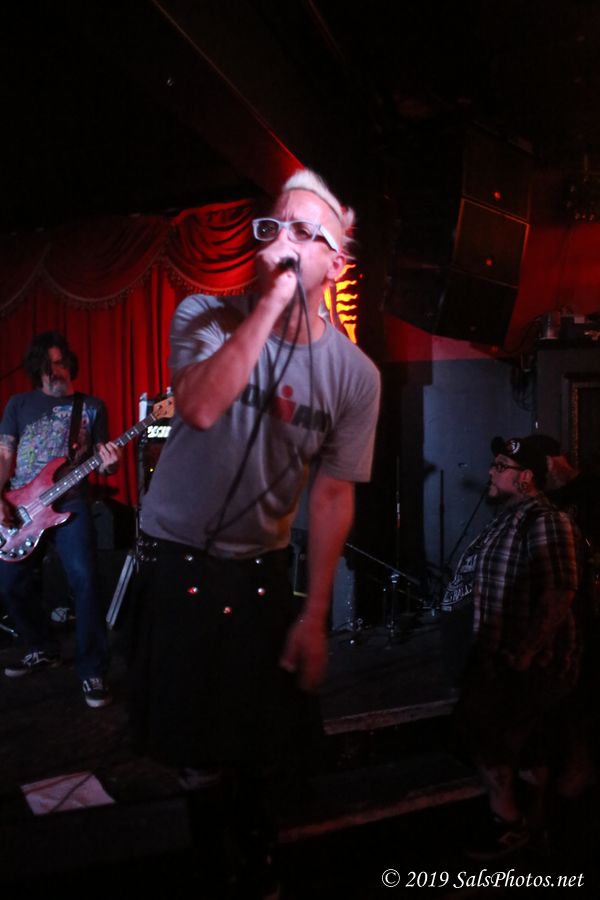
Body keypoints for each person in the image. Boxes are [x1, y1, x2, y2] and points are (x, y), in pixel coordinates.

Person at [128, 169, 381, 893]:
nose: (281, 240)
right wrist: (272, 300)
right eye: (275, 225)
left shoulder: (355, 376)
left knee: (262, 743)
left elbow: (332, 496)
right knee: (196, 754)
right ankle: (215, 868)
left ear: (337, 263)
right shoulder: (204, 315)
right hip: (178, 557)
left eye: (305, 231)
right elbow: (200, 406)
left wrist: (317, 613)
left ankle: (261, 861)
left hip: (261, 568)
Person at [442, 435, 582, 860]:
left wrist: (525, 652)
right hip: (501, 658)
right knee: (524, 743)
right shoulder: (505, 520)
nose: (491, 471)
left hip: (530, 664)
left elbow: (559, 591)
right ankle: (534, 827)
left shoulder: (545, 521)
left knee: (482, 733)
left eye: (501, 465)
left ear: (526, 478)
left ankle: (509, 822)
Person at [0, 331, 120, 708]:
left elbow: (103, 461)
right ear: (37, 368)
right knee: (9, 583)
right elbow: (4, 456)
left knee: (85, 579)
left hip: (71, 504)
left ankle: (92, 670)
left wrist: (110, 464)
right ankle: (42, 646)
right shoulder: (19, 404)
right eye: (50, 364)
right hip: (21, 506)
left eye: (62, 362)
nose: (57, 370)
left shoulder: (91, 407)